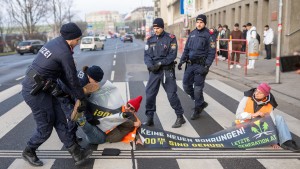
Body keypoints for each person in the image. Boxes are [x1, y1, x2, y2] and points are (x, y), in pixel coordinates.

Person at [21, 22, 92, 166]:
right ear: (71, 38)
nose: (78, 43)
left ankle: (77, 154)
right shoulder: (64, 53)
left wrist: (75, 95)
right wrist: (81, 97)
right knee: (46, 127)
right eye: (78, 40)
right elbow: (71, 78)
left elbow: (63, 77)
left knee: (60, 120)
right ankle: (29, 150)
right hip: (34, 92)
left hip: (44, 87)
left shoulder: (56, 43)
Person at [144, 18, 185, 128]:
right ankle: (150, 118)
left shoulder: (170, 38)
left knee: (171, 94)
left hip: (166, 70)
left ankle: (180, 116)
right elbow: (147, 55)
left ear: (162, 27)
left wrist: (161, 63)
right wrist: (150, 66)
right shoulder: (150, 40)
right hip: (154, 71)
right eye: (154, 28)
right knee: (149, 94)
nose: (156, 30)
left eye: (158, 28)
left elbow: (172, 55)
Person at [235, 83, 300, 152]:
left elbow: (271, 122)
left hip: (259, 127)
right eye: (256, 91)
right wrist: (252, 115)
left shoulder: (269, 104)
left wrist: (273, 140)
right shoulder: (246, 98)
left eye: (260, 93)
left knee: (279, 118)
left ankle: (286, 141)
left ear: (265, 95)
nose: (256, 93)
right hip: (245, 126)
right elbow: (238, 115)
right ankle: (278, 139)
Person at [177, 14, 216, 120]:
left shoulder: (209, 35)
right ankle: (201, 102)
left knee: (198, 89)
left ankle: (197, 109)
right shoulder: (192, 34)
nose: (199, 24)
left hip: (201, 65)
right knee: (186, 86)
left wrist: (207, 66)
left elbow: (212, 52)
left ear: (205, 23)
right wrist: (181, 61)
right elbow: (186, 49)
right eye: (197, 22)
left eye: (201, 22)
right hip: (190, 65)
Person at [57, 65, 104, 143]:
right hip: (62, 96)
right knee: (74, 116)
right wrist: (90, 119)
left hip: (69, 93)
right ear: (90, 76)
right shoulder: (82, 82)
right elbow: (81, 105)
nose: (96, 83)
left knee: (76, 116)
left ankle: (72, 137)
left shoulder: (85, 76)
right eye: (95, 81)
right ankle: (70, 141)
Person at [71, 96, 143, 145]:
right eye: (128, 105)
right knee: (92, 120)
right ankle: (80, 108)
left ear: (134, 111)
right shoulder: (119, 108)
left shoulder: (133, 120)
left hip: (104, 136)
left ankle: (79, 117)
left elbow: (133, 127)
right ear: (126, 104)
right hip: (100, 128)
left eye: (131, 109)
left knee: (89, 128)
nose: (128, 108)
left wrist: (138, 139)